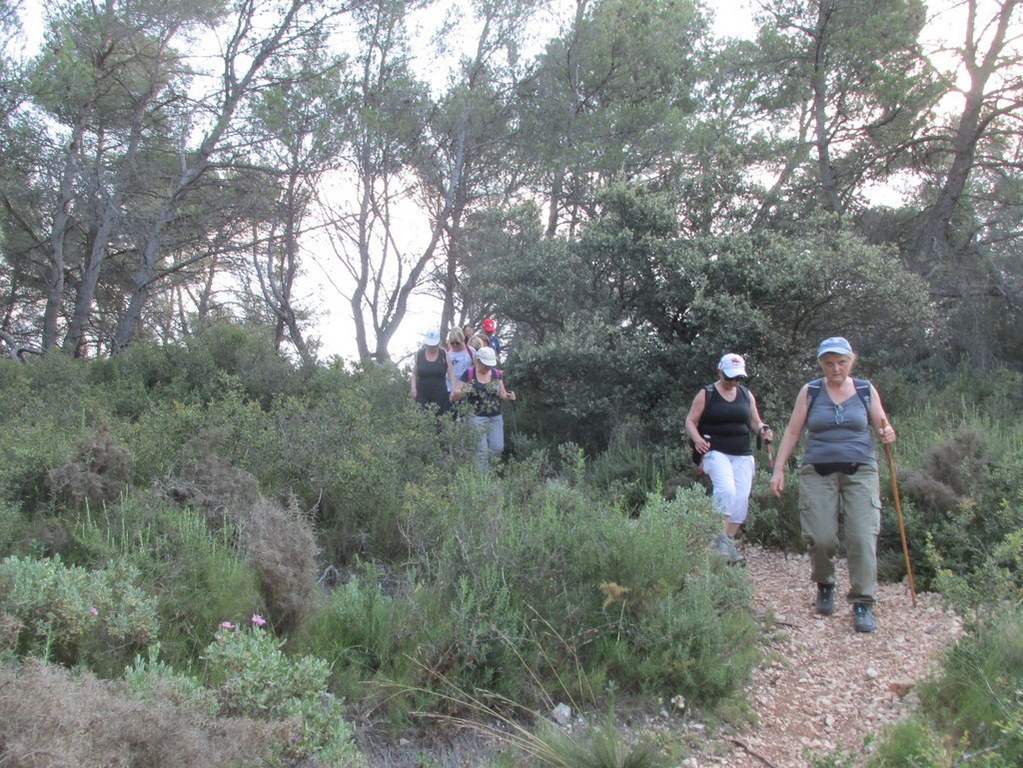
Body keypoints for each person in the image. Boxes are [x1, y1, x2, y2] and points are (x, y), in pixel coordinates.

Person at [769, 337, 896, 633]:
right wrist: (778, 469)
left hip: (860, 470)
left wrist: (888, 432)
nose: (835, 368)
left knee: (862, 537)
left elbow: (882, 426)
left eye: (841, 362)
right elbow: (792, 431)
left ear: (851, 361)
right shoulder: (811, 391)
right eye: (829, 363)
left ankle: (863, 603)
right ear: (821, 364)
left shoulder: (865, 389)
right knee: (821, 537)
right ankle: (825, 583)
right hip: (817, 469)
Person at [685, 353, 773, 565]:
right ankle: (722, 544)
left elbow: (754, 421)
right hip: (715, 451)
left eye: (737, 378)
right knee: (727, 490)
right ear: (719, 372)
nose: (733, 382)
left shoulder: (745, 394)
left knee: (741, 499)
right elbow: (690, 420)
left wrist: (763, 430)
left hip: (742, 452)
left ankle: (727, 545)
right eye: (729, 377)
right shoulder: (707, 393)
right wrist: (697, 439)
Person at [452, 345, 515, 470]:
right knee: (480, 451)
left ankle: (491, 472)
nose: (488, 367)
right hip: (476, 417)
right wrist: (464, 391)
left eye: (490, 365)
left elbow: (502, 395)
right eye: (486, 365)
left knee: (498, 448)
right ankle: (483, 482)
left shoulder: (496, 374)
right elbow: (456, 394)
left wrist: (509, 396)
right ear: (478, 361)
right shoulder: (469, 374)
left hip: (495, 416)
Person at [410, 329, 455, 414]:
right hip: (422, 394)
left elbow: (451, 374)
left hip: (440, 395)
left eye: (434, 345)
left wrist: (453, 390)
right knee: (421, 420)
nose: (431, 347)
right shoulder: (420, 354)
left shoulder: (443, 354)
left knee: (439, 422)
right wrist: (413, 388)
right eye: (429, 345)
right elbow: (414, 374)